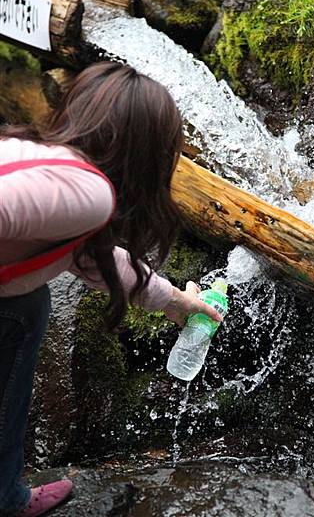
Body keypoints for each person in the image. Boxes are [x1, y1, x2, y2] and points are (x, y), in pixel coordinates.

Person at [0, 61, 222, 517]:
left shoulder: (39, 154)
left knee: (31, 300)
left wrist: (175, 301)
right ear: (147, 151)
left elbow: (92, 257)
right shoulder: (91, 194)